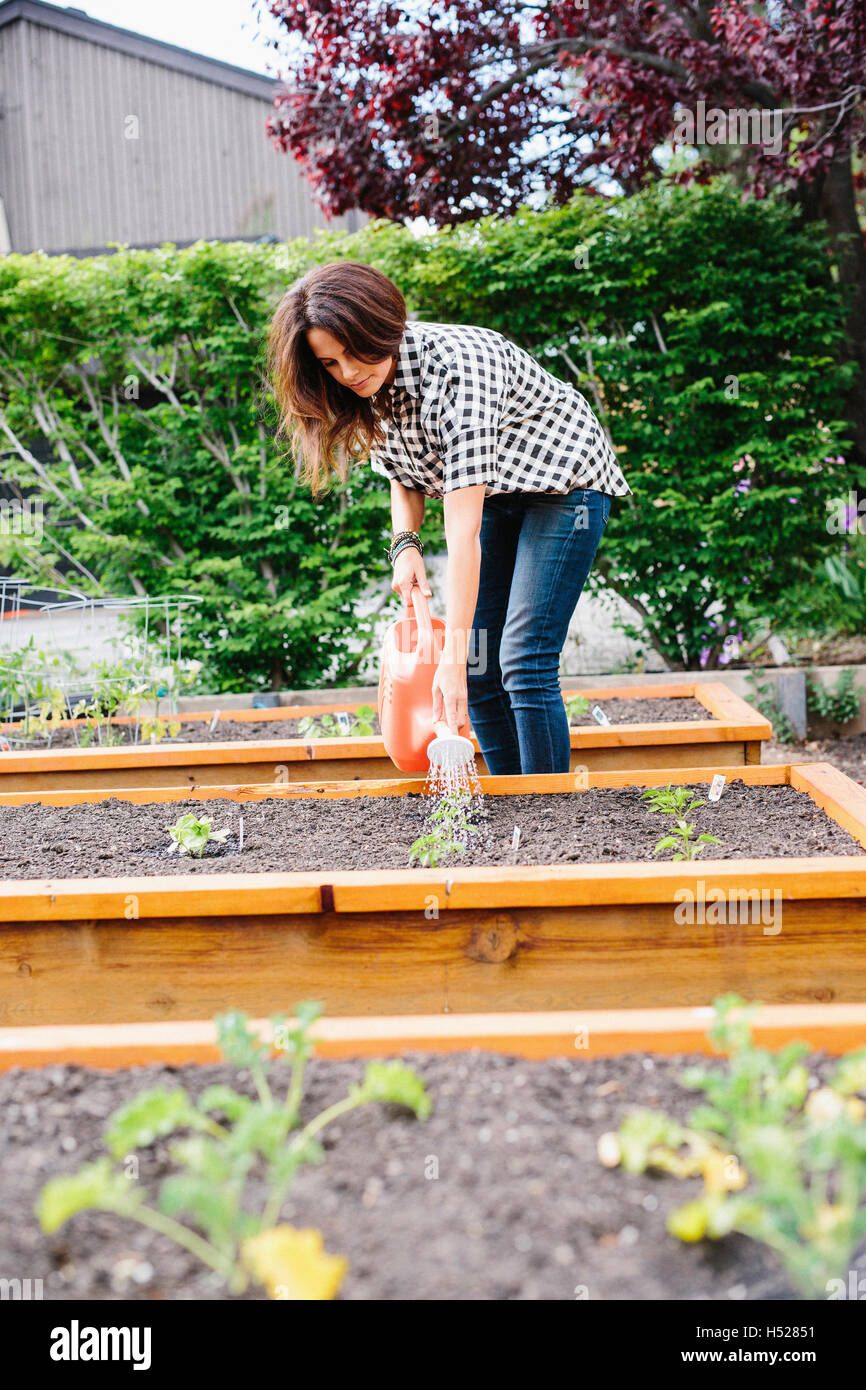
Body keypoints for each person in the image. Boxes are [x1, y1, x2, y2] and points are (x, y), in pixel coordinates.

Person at [267, 259, 632, 774]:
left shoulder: (459, 369)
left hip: (565, 487)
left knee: (523, 660)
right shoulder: (371, 385)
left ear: (381, 324)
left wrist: (450, 662)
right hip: (501, 491)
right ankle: (511, 801)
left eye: (353, 354)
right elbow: (402, 470)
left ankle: (549, 811)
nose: (347, 373)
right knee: (482, 668)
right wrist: (404, 544)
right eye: (330, 364)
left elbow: (463, 535)